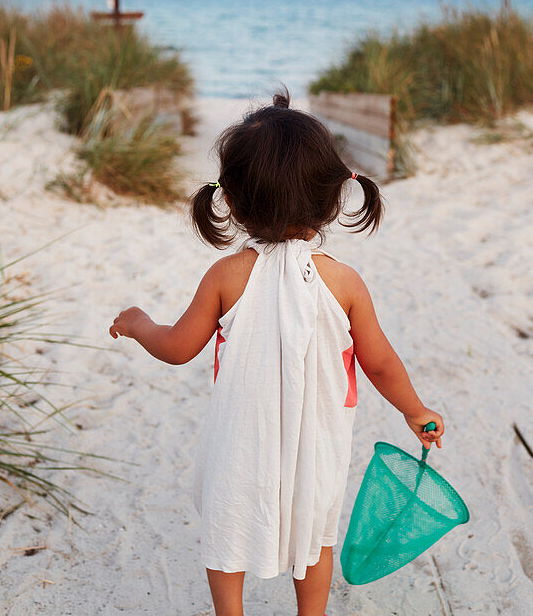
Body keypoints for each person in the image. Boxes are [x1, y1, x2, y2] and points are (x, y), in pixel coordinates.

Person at [109, 90, 444, 616]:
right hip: (318, 444)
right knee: (315, 534)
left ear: (234, 201)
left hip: (241, 441)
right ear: (334, 196)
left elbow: (176, 349)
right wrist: (415, 410)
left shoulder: (227, 276)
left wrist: (138, 323)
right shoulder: (344, 282)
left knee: (227, 529)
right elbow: (379, 361)